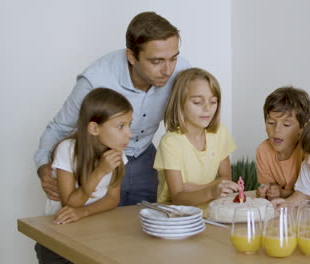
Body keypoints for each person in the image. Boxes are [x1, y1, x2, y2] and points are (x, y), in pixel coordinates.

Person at [34, 11, 191, 206]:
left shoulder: (181, 72)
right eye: (156, 61)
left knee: (143, 226)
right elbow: (59, 128)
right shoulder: (96, 80)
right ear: (132, 56)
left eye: (173, 58)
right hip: (100, 162)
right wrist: (43, 167)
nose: (168, 70)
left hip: (146, 158)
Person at [35, 88, 133, 264]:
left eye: (129, 124)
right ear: (94, 128)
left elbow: (113, 199)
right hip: (56, 239)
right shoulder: (68, 149)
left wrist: (83, 212)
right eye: (121, 126)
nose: (129, 133)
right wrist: (100, 171)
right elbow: (69, 203)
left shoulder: (116, 152)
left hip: (91, 234)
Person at [154, 68, 239, 205]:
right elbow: (177, 197)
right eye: (198, 102)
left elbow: (226, 178)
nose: (207, 108)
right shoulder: (170, 142)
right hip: (173, 215)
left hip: (207, 208)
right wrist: (211, 190)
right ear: (180, 103)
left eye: (213, 101)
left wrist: (193, 188)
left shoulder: (220, 132)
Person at [255, 86, 310, 200]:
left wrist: (281, 194)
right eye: (271, 122)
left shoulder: (308, 151)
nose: (276, 130)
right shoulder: (263, 151)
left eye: (286, 125)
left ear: (302, 129)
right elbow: (273, 188)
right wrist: (267, 192)